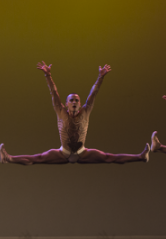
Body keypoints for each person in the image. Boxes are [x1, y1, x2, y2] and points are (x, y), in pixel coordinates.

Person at [0, 61, 149, 165]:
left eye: (77, 100)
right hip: (63, 152)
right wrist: (48, 75)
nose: (75, 102)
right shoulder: (60, 111)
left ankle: (141, 157)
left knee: (109, 157)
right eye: (72, 100)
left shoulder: (85, 111)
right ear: (66, 104)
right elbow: (54, 92)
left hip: (82, 152)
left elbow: (94, 93)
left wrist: (100, 77)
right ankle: (9, 158)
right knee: (37, 158)